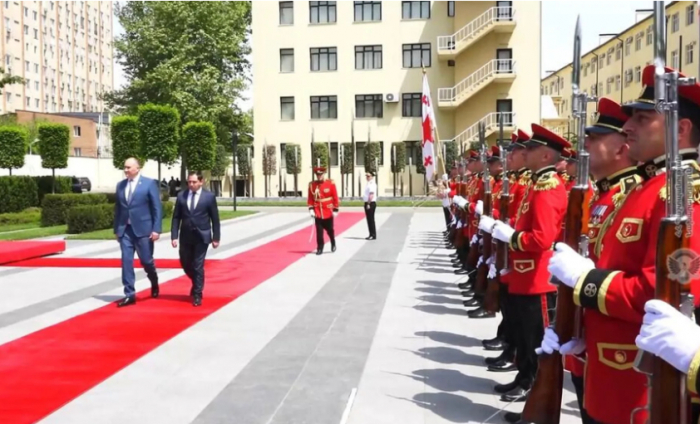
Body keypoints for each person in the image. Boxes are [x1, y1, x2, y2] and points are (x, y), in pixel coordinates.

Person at [544, 65, 700, 424]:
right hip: (610, 368)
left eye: (644, 118)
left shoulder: (682, 194)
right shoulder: (643, 189)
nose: (628, 127)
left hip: (640, 381)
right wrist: (581, 329)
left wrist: (586, 281)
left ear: (681, 129)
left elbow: (667, 291)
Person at [479, 123, 570, 405]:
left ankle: (533, 389)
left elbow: (542, 238)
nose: (525, 153)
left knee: (534, 340)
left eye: (531, 149)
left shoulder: (548, 187)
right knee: (521, 333)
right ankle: (523, 379)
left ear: (545, 156)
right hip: (523, 274)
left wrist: (513, 237)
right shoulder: (536, 183)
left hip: (537, 280)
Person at [113, 157, 162, 308]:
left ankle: (153, 281)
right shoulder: (120, 185)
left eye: (128, 167)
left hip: (143, 231)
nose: (125, 170)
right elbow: (118, 209)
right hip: (125, 231)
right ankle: (129, 294)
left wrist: (156, 229)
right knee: (126, 262)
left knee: (146, 261)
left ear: (137, 168)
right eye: (125, 167)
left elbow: (156, 208)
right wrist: (117, 229)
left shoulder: (149, 184)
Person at [170, 171, 221, 307]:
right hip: (186, 236)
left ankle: (197, 294)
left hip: (202, 236)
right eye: (189, 182)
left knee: (198, 265)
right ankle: (197, 281)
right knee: (185, 263)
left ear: (201, 182)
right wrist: (174, 235)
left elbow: (215, 218)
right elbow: (176, 217)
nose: (191, 185)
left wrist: (216, 237)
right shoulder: (182, 196)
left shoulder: (209, 197)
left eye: (193, 182)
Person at [307, 166, 339, 255]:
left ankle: (333, 241)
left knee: (330, 230)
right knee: (319, 232)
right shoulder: (312, 185)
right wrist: (311, 209)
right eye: (317, 174)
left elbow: (335, 197)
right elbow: (310, 198)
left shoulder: (330, 183)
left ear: (324, 174)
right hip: (318, 211)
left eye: (321, 174)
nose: (319, 176)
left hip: (328, 211)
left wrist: (335, 209)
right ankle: (320, 248)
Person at [363, 171, 378, 240]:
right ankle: (371, 234)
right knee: (369, 219)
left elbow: (371, 194)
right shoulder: (368, 183)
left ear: (372, 176)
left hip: (370, 203)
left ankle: (373, 234)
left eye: (368, 176)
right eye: (366, 176)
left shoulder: (372, 184)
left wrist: (368, 203)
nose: (367, 177)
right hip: (368, 202)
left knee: (371, 219)